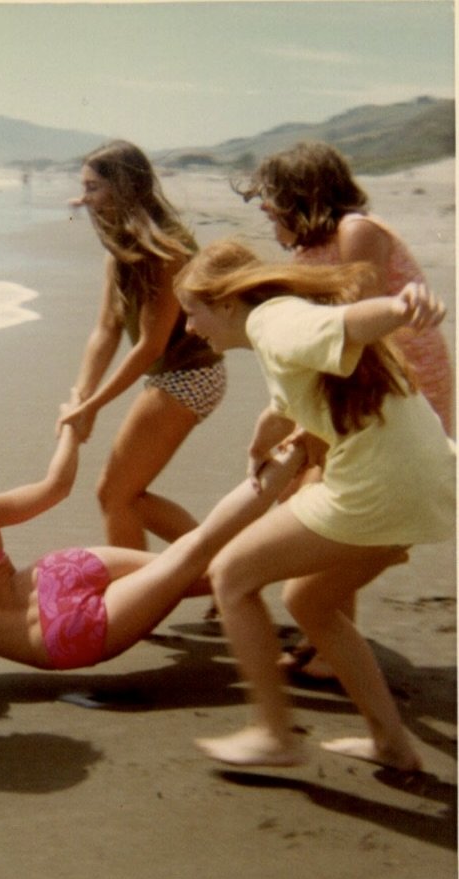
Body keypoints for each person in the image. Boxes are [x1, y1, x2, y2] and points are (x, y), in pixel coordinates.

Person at [173, 240, 455, 771]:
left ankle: (274, 735)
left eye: (193, 312)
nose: (189, 328)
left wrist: (402, 307)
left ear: (228, 304)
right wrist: (261, 444)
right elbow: (287, 405)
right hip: (430, 478)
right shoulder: (281, 329)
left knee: (231, 575)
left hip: (380, 487)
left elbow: (352, 322)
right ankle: (391, 744)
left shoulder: (275, 322)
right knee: (309, 600)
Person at [0, 401, 306, 673]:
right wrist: (71, 431)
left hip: (59, 637)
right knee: (193, 566)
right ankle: (301, 520)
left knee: (192, 558)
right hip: (53, 576)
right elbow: (56, 487)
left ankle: (294, 505)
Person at [236, 140, 454, 680]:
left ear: (301, 193)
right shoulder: (308, 249)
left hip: (396, 383)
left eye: (271, 198)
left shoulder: (356, 230)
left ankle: (326, 632)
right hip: (343, 382)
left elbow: (360, 321)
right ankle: (326, 634)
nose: (265, 209)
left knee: (330, 497)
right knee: (316, 494)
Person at [59, 141, 226, 551]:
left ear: (123, 187)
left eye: (93, 187)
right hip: (173, 374)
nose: (84, 199)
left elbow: (151, 344)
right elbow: (106, 329)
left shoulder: (163, 249)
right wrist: (82, 393)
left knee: (114, 494)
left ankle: (148, 590)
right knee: (123, 496)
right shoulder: (120, 247)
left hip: (191, 374)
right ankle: (214, 568)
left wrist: (92, 406)